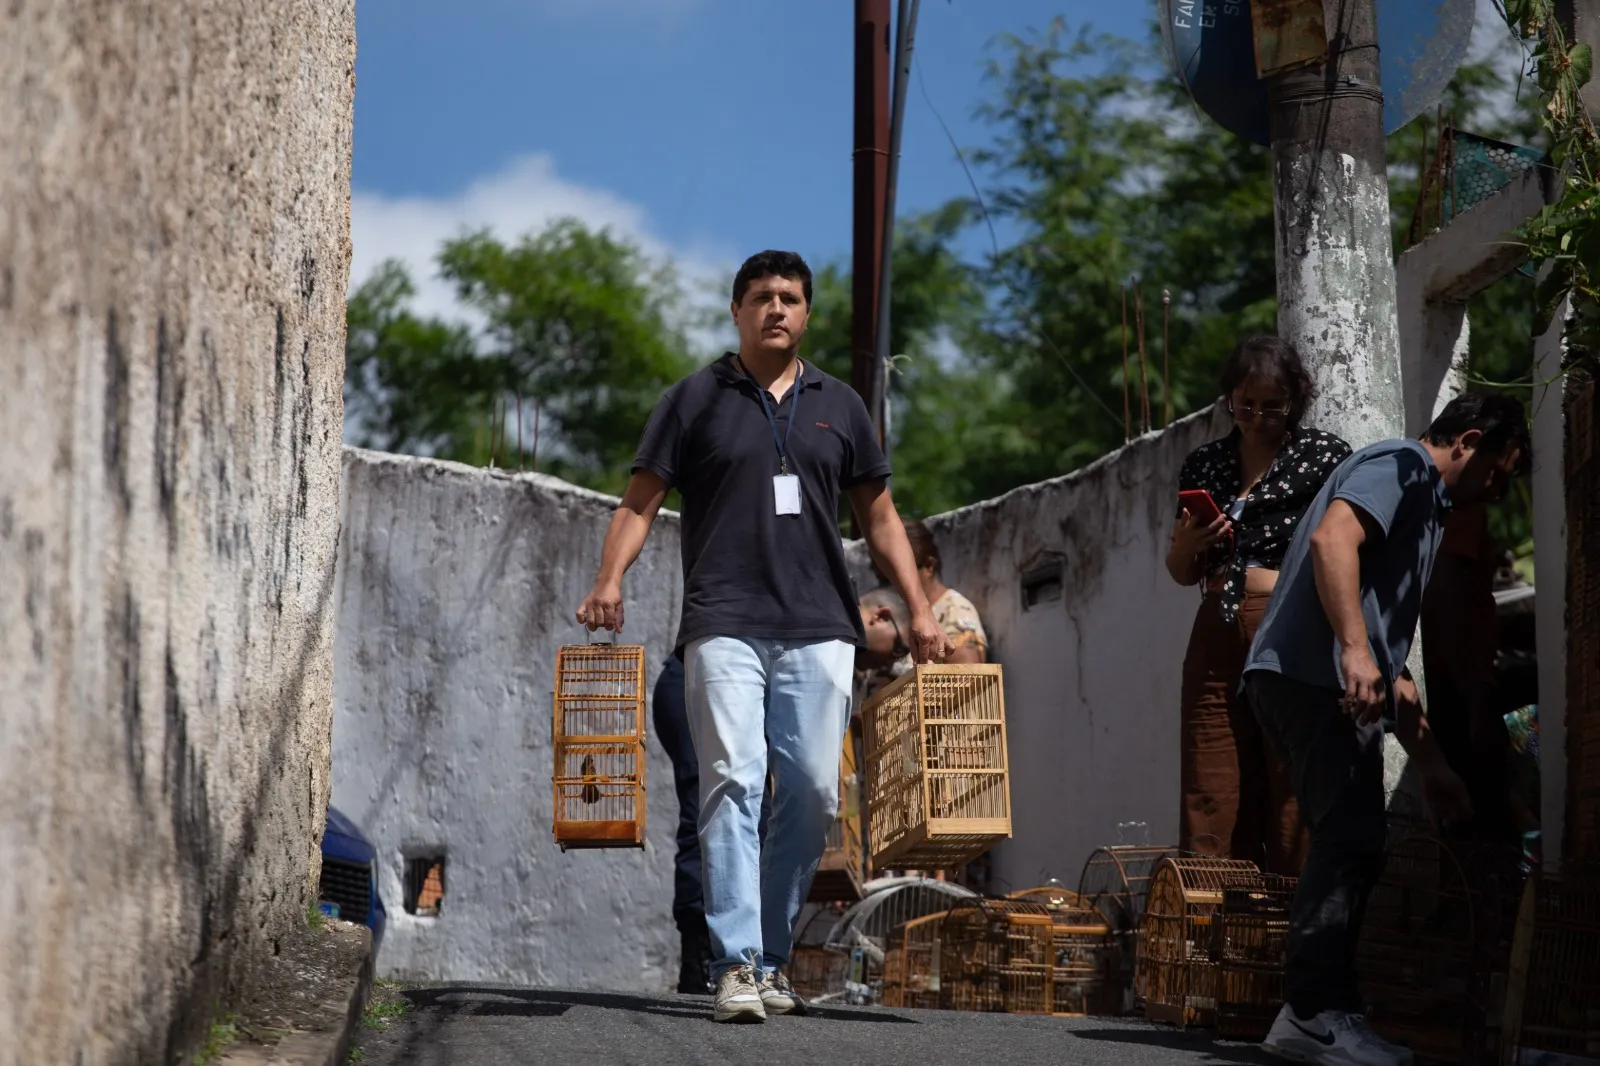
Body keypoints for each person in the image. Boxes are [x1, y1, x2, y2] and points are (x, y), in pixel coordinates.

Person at [576, 249, 952, 1024]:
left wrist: (918, 607)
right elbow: (639, 502)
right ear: (737, 312)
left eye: (789, 297)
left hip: (821, 626)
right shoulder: (693, 400)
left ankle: (774, 958)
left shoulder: (840, 405)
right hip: (724, 621)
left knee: (812, 793)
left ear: (807, 313)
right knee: (732, 782)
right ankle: (737, 963)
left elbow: (880, 517)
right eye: (759, 297)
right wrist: (609, 580)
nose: (775, 308)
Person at [1244, 391, 1530, 1066]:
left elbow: (1392, 663)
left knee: (1356, 840)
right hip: (1307, 676)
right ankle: (1312, 1013)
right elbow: (1330, 537)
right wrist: (1351, 648)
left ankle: (1323, 1010)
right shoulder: (1401, 464)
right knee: (1348, 840)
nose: (1495, 490)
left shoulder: (1426, 510)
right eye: (1498, 471)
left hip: (1317, 679)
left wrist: (1431, 764)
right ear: (1467, 442)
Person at [1166, 336, 1351, 874]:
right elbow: (1182, 574)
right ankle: (1217, 926)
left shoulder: (1323, 457)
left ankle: (1291, 923)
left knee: (1289, 777)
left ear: (1296, 400)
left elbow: (1340, 545)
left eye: (1274, 404)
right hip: (1216, 626)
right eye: (1245, 402)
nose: (1258, 415)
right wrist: (1186, 548)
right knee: (1210, 776)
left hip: (1288, 623)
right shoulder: (1205, 464)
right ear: (1229, 399)